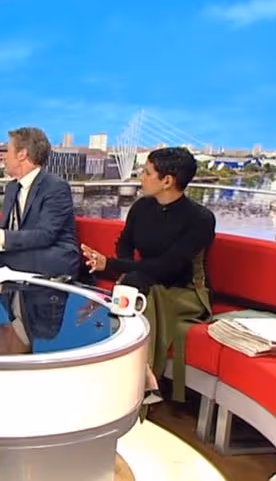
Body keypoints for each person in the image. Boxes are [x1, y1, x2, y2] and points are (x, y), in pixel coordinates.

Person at [81, 147, 216, 405]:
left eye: (146, 172)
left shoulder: (200, 219)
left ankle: (136, 383)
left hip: (185, 291)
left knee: (140, 296)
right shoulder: (141, 207)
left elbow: (169, 267)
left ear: (167, 181)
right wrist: (126, 270)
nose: (140, 177)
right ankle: (135, 378)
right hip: (145, 280)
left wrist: (111, 265)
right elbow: (124, 244)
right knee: (134, 289)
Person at [0, 127, 81, 279]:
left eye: (7, 151)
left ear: (22, 154)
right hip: (22, 253)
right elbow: (4, 230)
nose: (4, 158)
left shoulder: (55, 187)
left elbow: (46, 235)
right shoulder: (12, 188)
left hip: (53, 257)